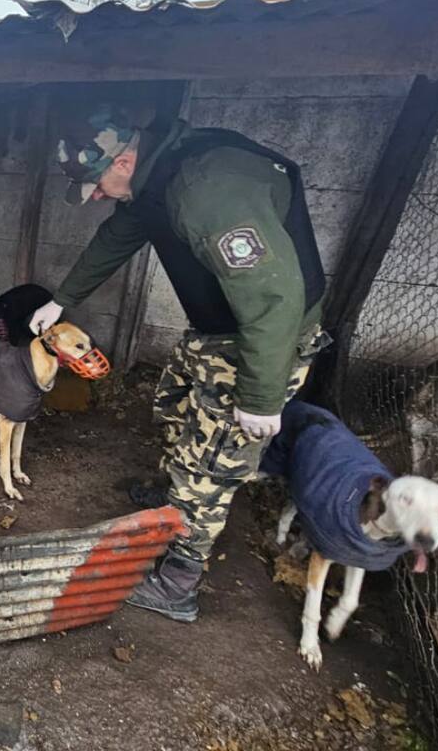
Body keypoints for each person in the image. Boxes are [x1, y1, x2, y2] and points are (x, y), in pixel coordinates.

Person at [30, 106, 329, 622]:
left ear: (122, 160)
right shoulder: (155, 178)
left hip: (261, 342)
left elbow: (272, 298)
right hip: (218, 332)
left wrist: (261, 396)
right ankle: (173, 502)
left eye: (96, 183)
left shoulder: (207, 191)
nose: (95, 195)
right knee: (175, 410)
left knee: (212, 464)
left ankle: (179, 583)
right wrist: (64, 297)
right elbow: (116, 238)